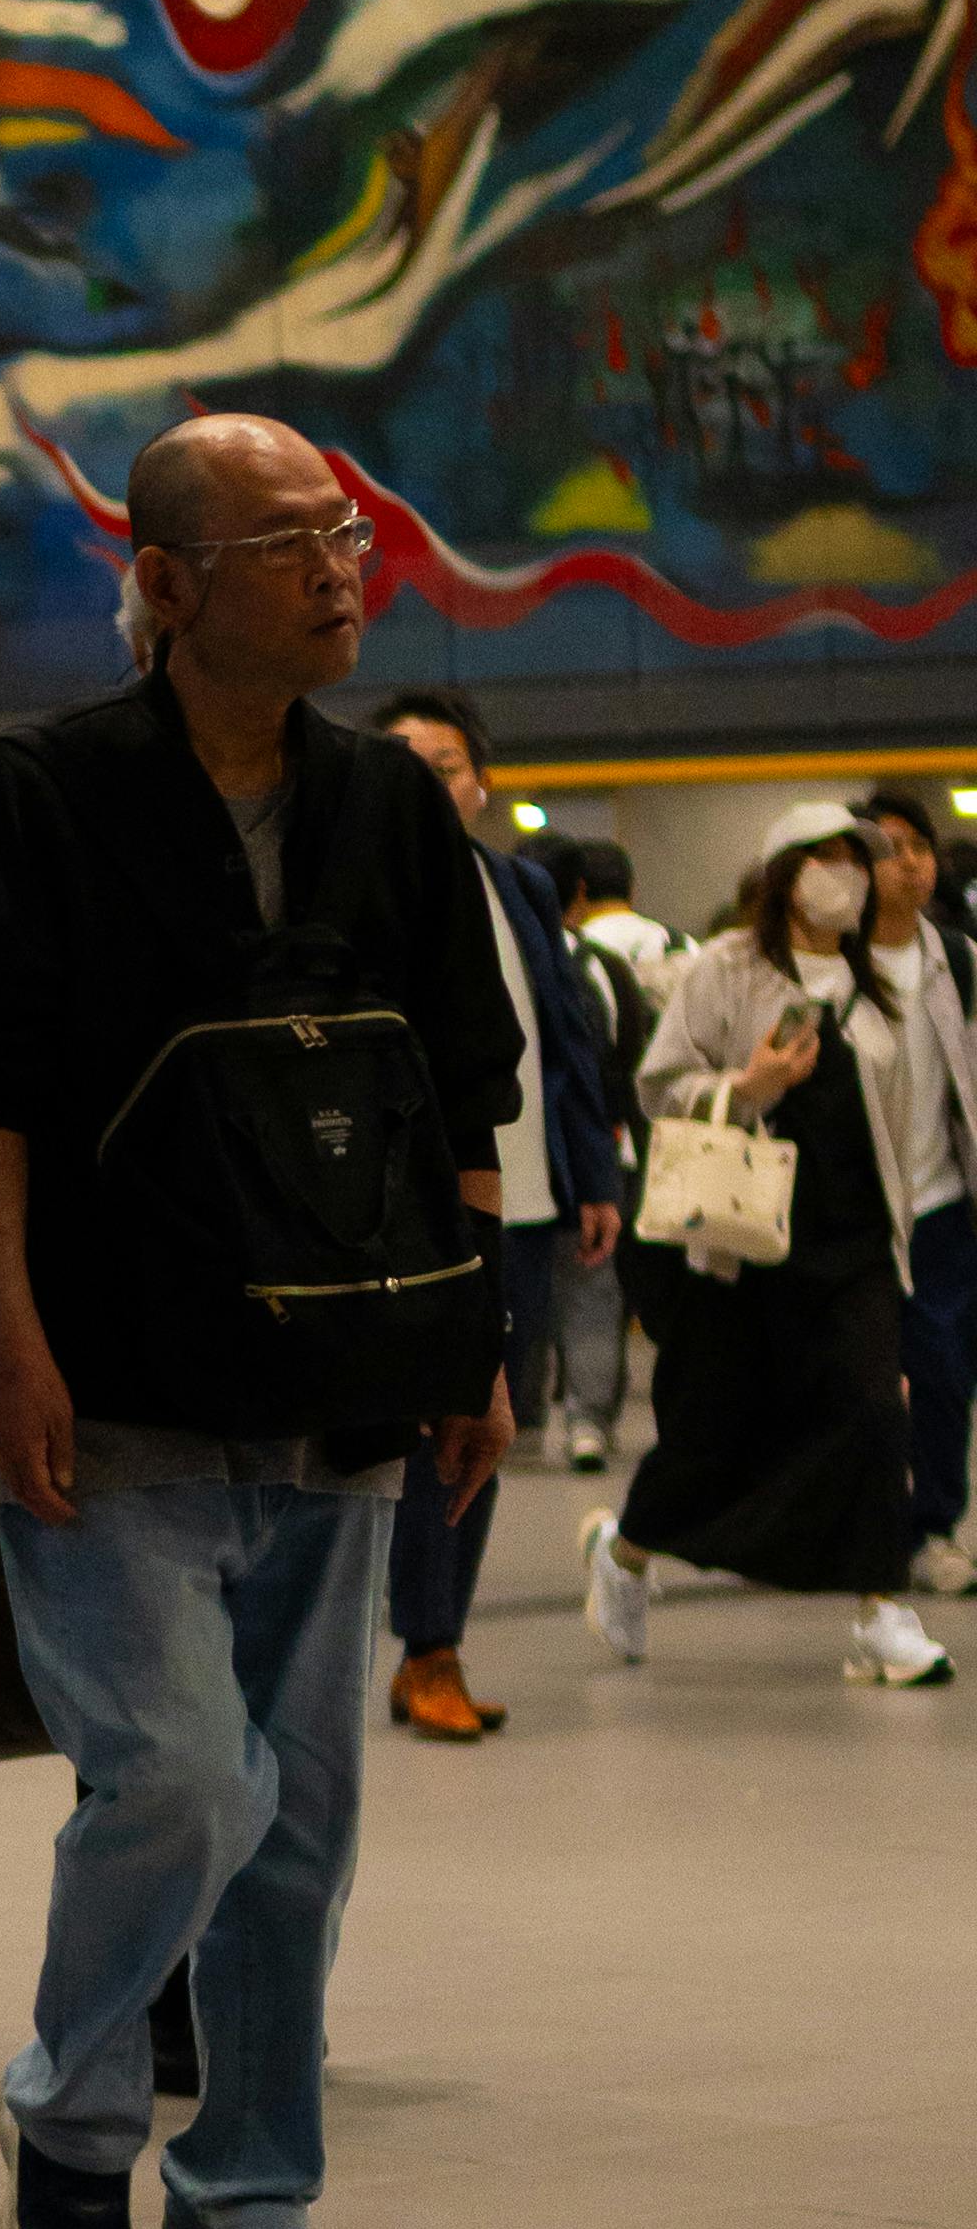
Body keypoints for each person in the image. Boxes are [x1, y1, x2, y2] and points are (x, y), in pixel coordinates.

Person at [0, 412, 519, 2229]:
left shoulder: (389, 809)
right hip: (116, 1390)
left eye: (347, 530)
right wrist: (10, 1341)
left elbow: (465, 1096)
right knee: (182, 1781)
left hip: (342, 1387)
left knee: (309, 1823)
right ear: (168, 589)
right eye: (288, 543)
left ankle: (253, 2198)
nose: (343, 566)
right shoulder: (42, 791)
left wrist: (471, 1339)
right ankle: (75, 2109)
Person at [590, 798, 953, 1693]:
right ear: (783, 873)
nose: (845, 874)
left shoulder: (882, 981)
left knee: (875, 1413)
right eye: (824, 857)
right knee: (711, 1428)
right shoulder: (725, 969)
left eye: (855, 858)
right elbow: (658, 1086)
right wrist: (746, 1085)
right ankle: (626, 1553)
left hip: (856, 1241)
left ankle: (881, 1611)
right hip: (740, 1241)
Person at [364, 691, 622, 1742]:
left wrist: (592, 1174)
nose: (431, 777)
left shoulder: (515, 885)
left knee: (480, 1429)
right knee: (400, 1427)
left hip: (515, 1204)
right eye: (405, 761)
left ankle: (433, 1643)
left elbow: (564, 1043)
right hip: (393, 1212)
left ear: (481, 784)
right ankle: (406, 1642)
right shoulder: (353, 890)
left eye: (450, 760)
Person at [862, 786, 977, 1598]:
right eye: (888, 847)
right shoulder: (827, 961)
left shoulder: (960, 962)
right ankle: (857, 1528)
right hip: (850, 1219)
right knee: (852, 1385)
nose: (909, 864)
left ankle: (934, 1526)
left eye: (919, 846)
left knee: (940, 1375)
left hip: (939, 1211)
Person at [540, 838, 662, 1480]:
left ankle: (524, 1411)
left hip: (510, 1158)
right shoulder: (598, 968)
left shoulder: (488, 962)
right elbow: (629, 1062)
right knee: (593, 1284)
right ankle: (587, 1421)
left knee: (522, 1285)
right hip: (597, 1150)